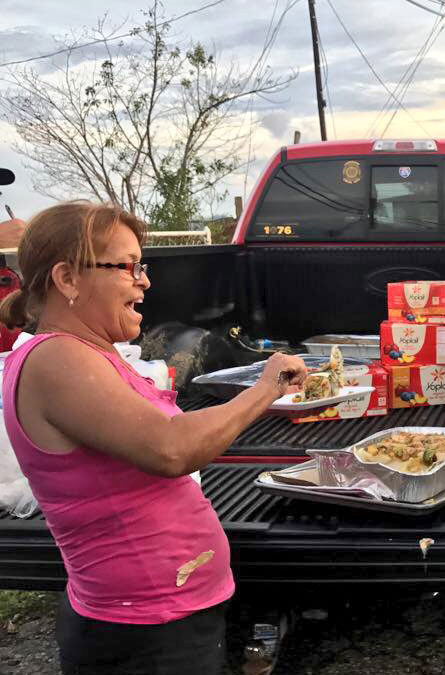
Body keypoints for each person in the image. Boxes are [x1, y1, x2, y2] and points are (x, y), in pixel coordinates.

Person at [0, 201, 308, 674]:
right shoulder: (55, 358)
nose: (144, 280)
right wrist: (266, 387)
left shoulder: (86, 353)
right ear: (67, 279)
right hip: (142, 631)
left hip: (163, 619)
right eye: (127, 267)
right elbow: (172, 447)